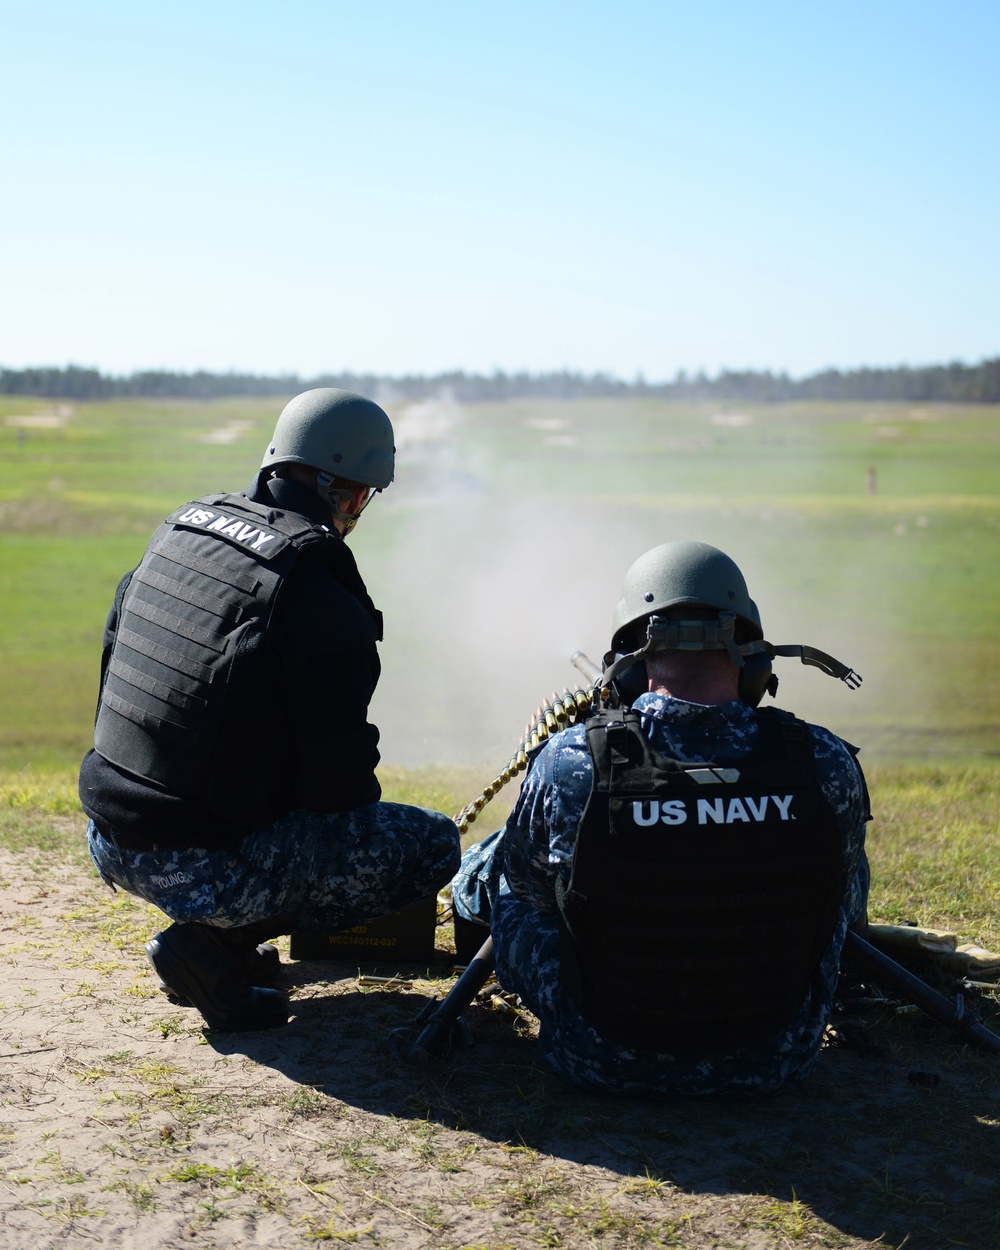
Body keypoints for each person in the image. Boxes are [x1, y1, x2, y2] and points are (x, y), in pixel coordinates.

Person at [80, 388, 461, 1031]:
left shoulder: (181, 532)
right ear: (344, 493)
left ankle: (220, 930)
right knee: (428, 844)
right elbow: (340, 794)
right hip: (196, 864)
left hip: (108, 835)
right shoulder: (323, 604)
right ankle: (212, 948)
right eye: (363, 497)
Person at [452, 540, 870, 1096]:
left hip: (600, 1059)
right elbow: (845, 900)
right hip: (776, 1057)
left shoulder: (571, 760)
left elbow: (529, 887)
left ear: (628, 665)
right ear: (754, 660)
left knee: (497, 876)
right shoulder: (823, 760)